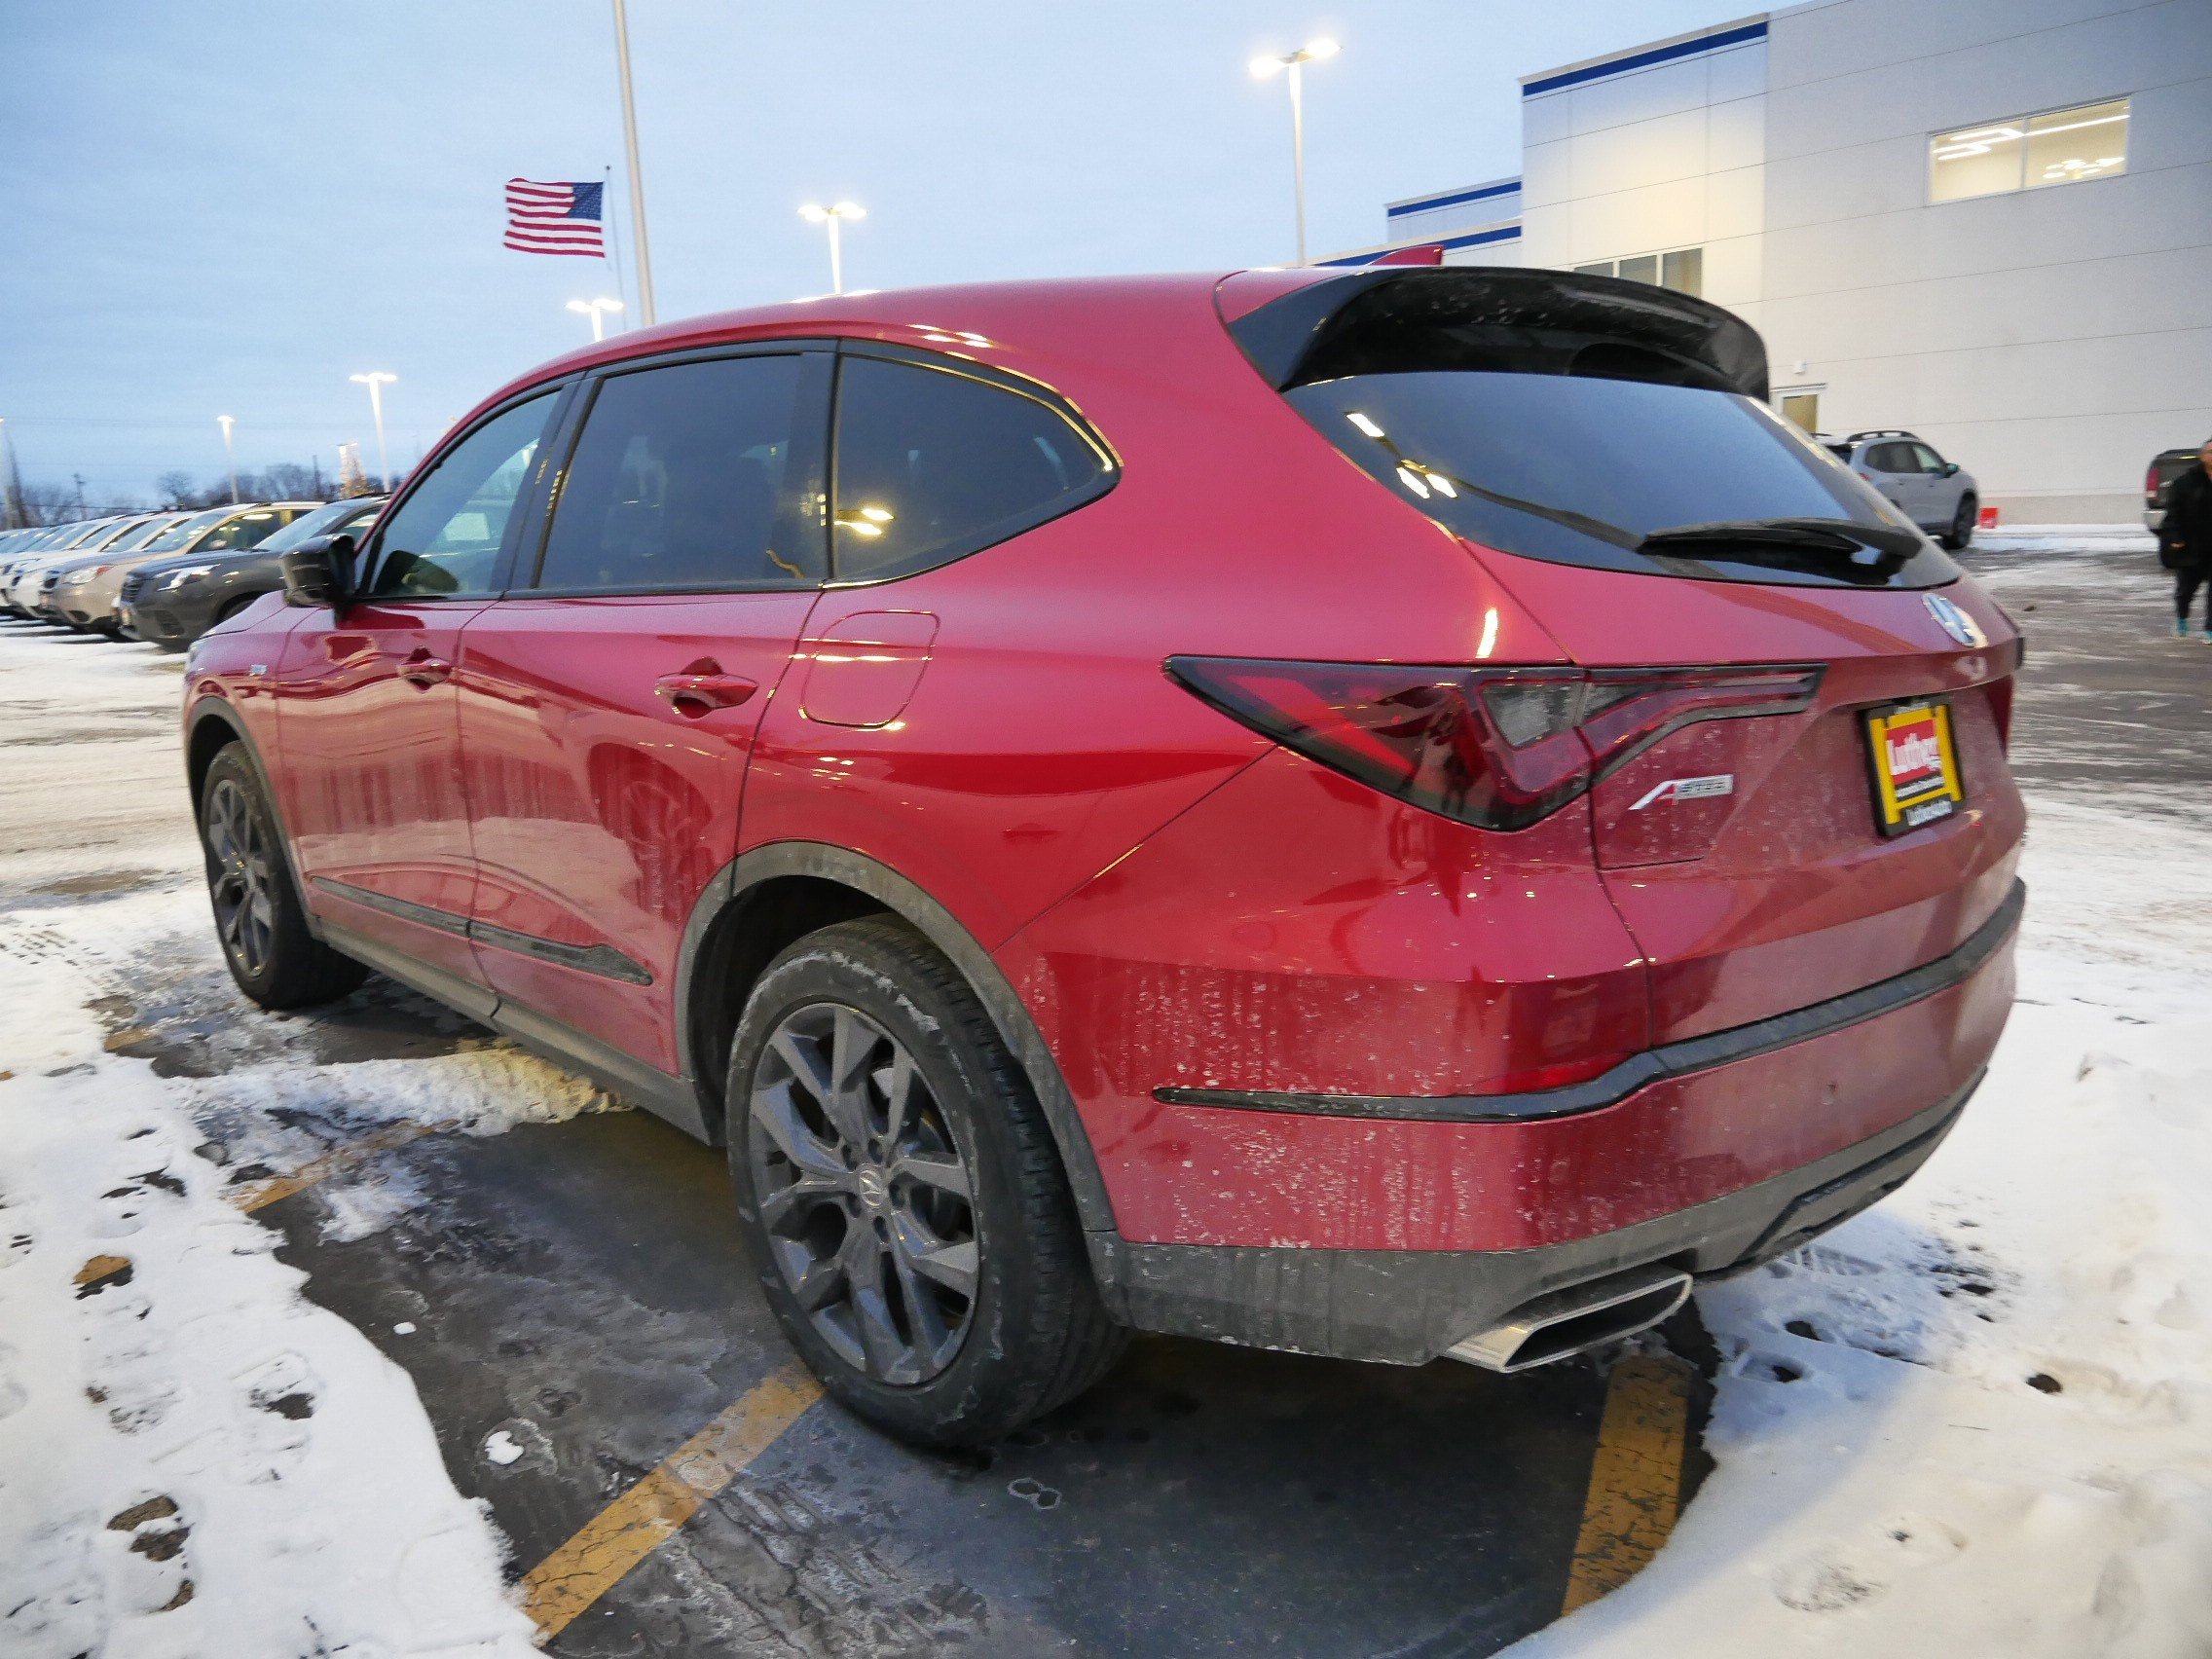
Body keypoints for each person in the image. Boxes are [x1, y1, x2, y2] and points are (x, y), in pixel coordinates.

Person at [2162, 438, 2212, 640]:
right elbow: (2172, 514)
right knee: (2186, 590)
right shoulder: (2186, 482)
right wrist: (2176, 537)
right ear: (2202, 456)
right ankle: (2181, 617)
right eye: (2210, 451)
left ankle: (2209, 629)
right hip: (2191, 546)